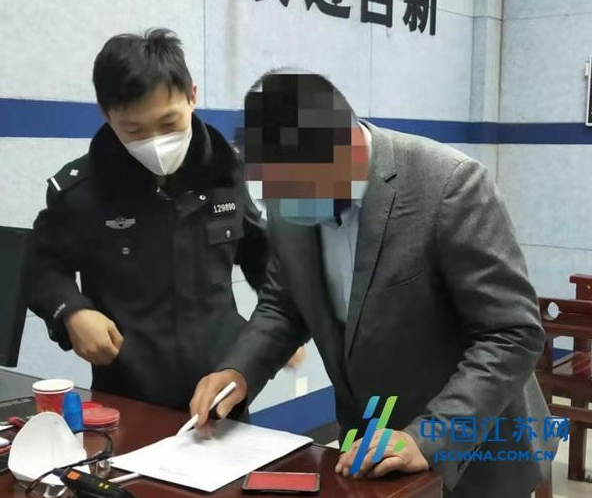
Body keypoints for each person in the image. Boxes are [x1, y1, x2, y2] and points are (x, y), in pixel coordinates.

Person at [189, 69, 556, 497]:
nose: (288, 204)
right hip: (366, 442)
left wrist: (430, 437)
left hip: (472, 449)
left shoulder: (449, 185)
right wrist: (238, 371)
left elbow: (512, 333)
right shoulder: (289, 196)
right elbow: (284, 306)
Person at [27, 29, 268, 412]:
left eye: (169, 123)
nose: (155, 141)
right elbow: (41, 266)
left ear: (192, 96)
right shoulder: (82, 192)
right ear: (106, 115)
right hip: (127, 397)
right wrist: (71, 311)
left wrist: (272, 335)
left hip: (220, 392)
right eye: (134, 130)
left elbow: (261, 254)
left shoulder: (225, 173)